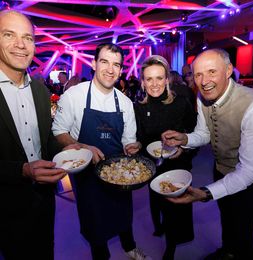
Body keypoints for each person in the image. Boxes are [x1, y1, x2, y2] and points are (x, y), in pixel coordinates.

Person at [52, 43, 150, 260]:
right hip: (86, 172)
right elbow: (58, 131)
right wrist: (83, 146)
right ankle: (101, 255)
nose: (110, 69)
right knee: (93, 219)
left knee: (123, 211)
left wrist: (132, 147)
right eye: (104, 62)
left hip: (117, 171)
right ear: (94, 64)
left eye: (116, 64)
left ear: (121, 69)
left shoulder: (125, 103)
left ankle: (130, 247)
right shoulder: (74, 95)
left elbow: (128, 141)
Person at [162, 49, 253, 260]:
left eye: (211, 72)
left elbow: (249, 170)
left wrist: (205, 193)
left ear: (228, 70)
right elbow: (204, 133)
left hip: (250, 182)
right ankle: (228, 251)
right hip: (220, 170)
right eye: (197, 74)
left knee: (243, 233)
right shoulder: (202, 96)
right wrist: (184, 139)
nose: (204, 81)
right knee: (226, 218)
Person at [0, 10, 68, 260]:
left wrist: (68, 148)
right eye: (9, 35)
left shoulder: (40, 91)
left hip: (44, 200)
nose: (20, 44)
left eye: (27, 37)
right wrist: (22, 170)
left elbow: (45, 140)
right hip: (6, 205)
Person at [128, 55, 197, 259]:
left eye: (159, 78)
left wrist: (184, 149)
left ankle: (171, 246)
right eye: (149, 79)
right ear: (142, 81)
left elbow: (197, 135)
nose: (155, 84)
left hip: (177, 163)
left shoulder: (181, 102)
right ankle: (159, 226)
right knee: (155, 201)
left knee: (174, 209)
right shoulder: (139, 107)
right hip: (153, 164)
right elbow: (140, 137)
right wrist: (136, 145)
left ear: (167, 79)